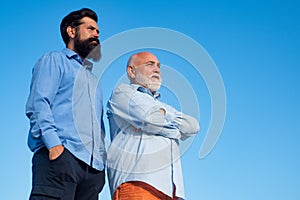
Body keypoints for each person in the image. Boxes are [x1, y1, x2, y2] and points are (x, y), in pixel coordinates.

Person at [26, 8, 106, 199]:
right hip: (61, 158)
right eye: (90, 29)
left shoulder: (94, 80)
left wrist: (100, 169)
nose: (96, 34)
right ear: (71, 31)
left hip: (93, 172)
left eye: (98, 31)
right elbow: (39, 103)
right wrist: (54, 146)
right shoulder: (55, 60)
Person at [106, 52, 200, 200]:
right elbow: (150, 120)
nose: (157, 69)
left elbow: (192, 126)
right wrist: (175, 128)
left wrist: (162, 114)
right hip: (138, 184)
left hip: (173, 192)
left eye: (158, 66)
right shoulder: (123, 93)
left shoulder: (162, 106)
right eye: (149, 64)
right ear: (131, 71)